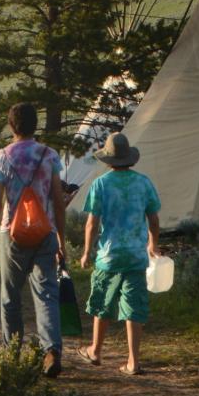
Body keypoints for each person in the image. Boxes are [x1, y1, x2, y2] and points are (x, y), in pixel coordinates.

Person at [0, 102, 68, 377]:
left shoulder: (1, 158)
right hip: (45, 231)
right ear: (34, 124)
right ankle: (51, 350)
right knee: (47, 293)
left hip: (12, 233)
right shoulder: (50, 155)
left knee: (10, 294)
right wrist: (61, 240)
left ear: (11, 125)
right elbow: (57, 199)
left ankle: (12, 350)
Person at [76, 133, 162, 376]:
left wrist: (86, 251)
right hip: (136, 256)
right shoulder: (143, 182)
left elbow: (92, 223)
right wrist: (152, 244)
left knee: (102, 302)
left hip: (109, 255)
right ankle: (134, 361)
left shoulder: (101, 184)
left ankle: (95, 350)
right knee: (134, 306)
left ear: (108, 159)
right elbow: (153, 219)